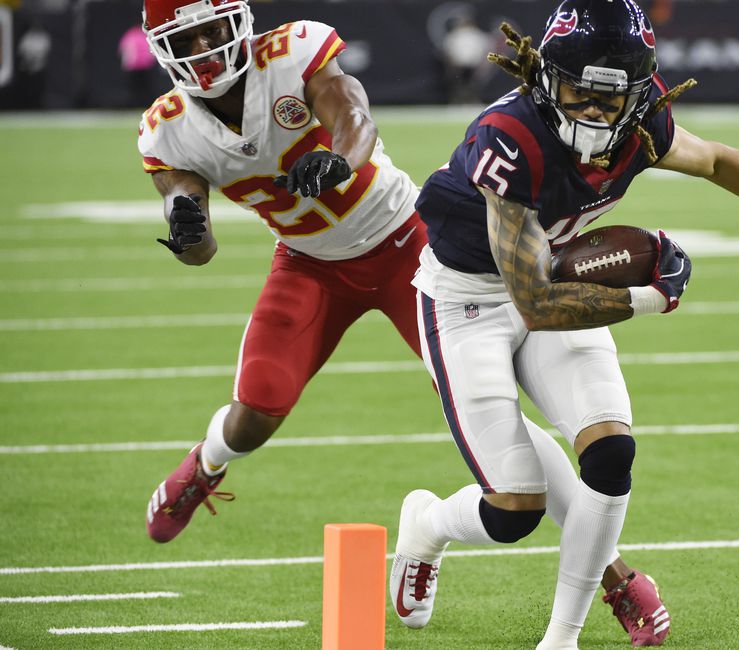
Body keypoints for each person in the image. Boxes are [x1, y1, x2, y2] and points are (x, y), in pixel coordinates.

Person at [136, 0, 670, 644]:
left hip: (410, 248)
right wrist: (186, 223)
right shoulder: (166, 129)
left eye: (211, 30)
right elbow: (198, 242)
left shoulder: (294, 51)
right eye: (184, 38)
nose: (202, 49)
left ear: (239, 21)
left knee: (503, 425)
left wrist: (339, 156)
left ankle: (611, 576)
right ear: (160, 48)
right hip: (308, 264)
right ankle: (207, 465)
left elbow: (353, 116)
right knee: (256, 410)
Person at [390, 1, 739, 649]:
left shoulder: (644, 124)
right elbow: (535, 300)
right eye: (578, 92)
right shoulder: (509, 138)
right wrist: (653, 297)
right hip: (468, 302)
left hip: (553, 279)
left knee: (610, 451)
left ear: (636, 92)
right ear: (544, 78)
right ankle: (427, 525)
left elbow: (712, 160)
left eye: (610, 98)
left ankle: (561, 638)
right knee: (515, 509)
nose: (595, 112)